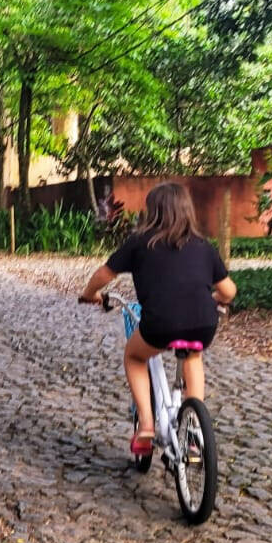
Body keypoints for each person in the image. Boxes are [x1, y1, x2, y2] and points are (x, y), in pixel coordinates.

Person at [79, 181, 237, 457]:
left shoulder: (140, 243)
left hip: (161, 323)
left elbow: (104, 275)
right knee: (192, 357)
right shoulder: (203, 246)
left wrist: (90, 294)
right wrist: (218, 301)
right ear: (187, 211)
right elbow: (229, 290)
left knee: (135, 356)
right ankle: (192, 431)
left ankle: (147, 426)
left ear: (151, 211)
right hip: (204, 322)